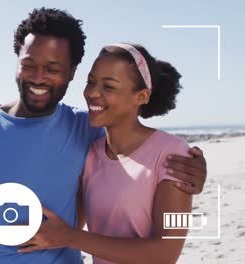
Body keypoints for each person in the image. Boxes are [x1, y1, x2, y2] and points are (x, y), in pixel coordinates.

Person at [0, 8, 207, 264]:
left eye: (53, 68)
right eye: (29, 65)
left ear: (71, 71)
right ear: (17, 61)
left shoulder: (90, 129)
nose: (38, 77)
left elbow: (167, 249)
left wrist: (194, 165)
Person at [10, 43, 197, 263]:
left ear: (142, 96)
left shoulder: (174, 155)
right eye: (91, 82)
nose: (92, 93)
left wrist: (71, 237)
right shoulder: (89, 156)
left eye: (108, 87)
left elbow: (165, 254)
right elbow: (59, 224)